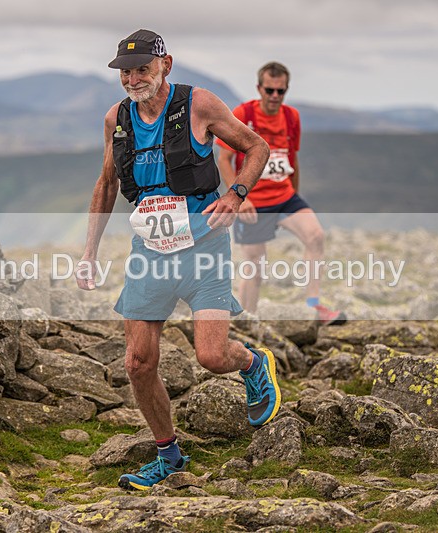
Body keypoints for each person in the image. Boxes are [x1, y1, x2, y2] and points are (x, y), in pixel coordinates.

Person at [76, 29, 279, 491]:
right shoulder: (117, 118)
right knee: (138, 362)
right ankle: (168, 455)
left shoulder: (198, 104)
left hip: (204, 245)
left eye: (142, 68)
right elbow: (106, 183)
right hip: (150, 251)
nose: (132, 79)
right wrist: (89, 252)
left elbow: (256, 147)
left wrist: (235, 194)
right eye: (125, 71)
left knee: (210, 356)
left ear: (165, 65)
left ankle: (252, 364)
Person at [216, 62, 346, 326]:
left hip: (285, 197)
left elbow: (292, 157)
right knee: (254, 267)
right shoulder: (244, 114)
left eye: (281, 91)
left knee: (316, 236)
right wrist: (240, 198)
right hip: (252, 202)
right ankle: (247, 323)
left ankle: (314, 307)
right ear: (259, 88)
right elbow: (224, 160)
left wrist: (294, 195)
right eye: (270, 90)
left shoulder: (291, 117)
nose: (275, 96)